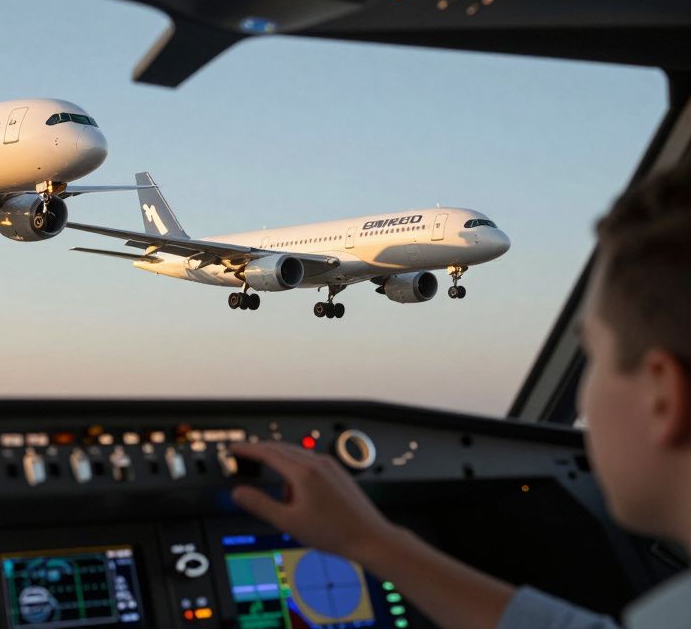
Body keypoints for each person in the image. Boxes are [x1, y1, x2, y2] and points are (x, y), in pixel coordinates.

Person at [231, 162, 691, 629]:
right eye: (474, 227)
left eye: (591, 355)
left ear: (664, 395)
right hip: (224, 265)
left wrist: (369, 542)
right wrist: (370, 542)